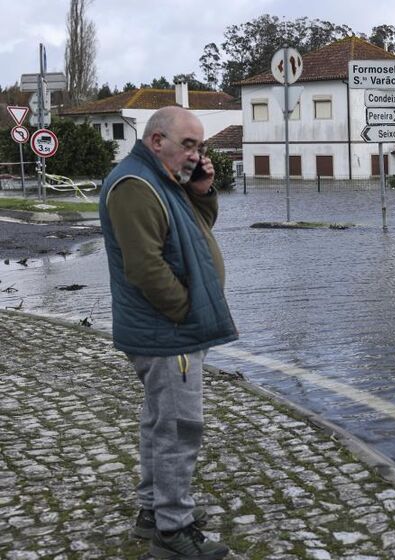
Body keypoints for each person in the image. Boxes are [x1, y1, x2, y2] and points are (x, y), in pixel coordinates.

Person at [99, 106, 238, 560]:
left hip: (168, 332)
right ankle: (172, 531)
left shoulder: (161, 179)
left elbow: (194, 232)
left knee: (160, 423)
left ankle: (151, 513)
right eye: (189, 145)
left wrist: (202, 190)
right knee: (180, 429)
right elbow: (145, 268)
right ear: (157, 141)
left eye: (200, 147)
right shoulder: (135, 187)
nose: (196, 155)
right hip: (167, 333)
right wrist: (188, 312)